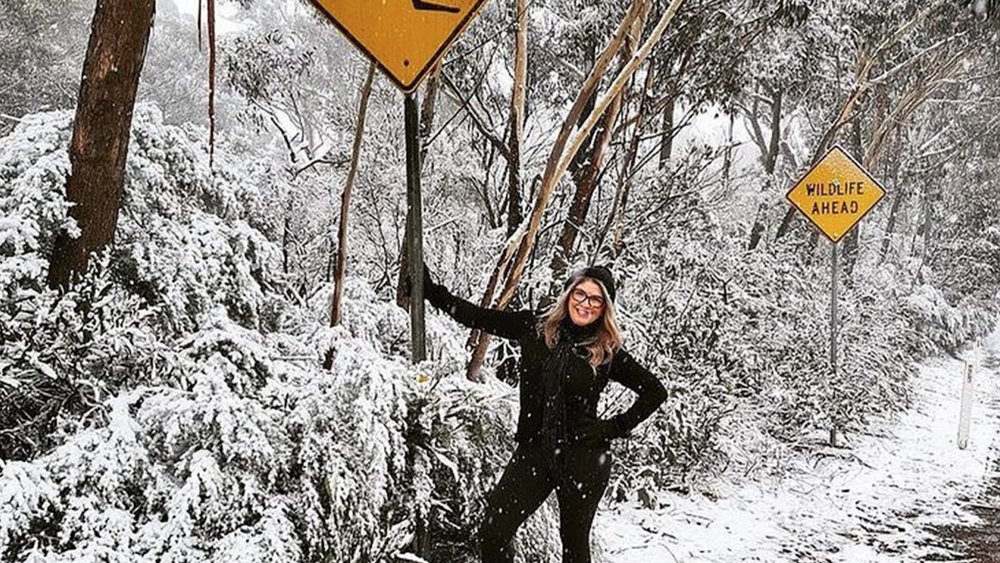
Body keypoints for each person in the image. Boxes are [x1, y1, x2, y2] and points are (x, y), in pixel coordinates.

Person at [419, 264, 668, 563]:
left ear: (604, 308)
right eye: (580, 293)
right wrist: (433, 293)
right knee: (493, 532)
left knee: (574, 547)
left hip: (584, 458)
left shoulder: (606, 352)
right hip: (535, 451)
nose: (585, 304)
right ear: (569, 294)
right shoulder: (535, 328)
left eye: (596, 299)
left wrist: (611, 428)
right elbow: (478, 317)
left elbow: (655, 391)